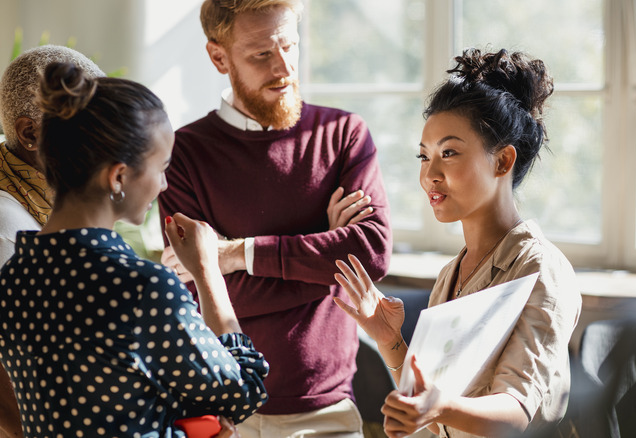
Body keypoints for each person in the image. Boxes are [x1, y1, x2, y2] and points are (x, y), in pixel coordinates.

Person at [157, 0, 392, 436]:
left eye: (289, 45)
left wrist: (234, 254)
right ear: (219, 57)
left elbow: (371, 254)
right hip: (225, 414)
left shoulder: (342, 135)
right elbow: (198, 293)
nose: (283, 67)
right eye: (261, 54)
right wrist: (325, 251)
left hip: (329, 411)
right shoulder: (183, 155)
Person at [0, 62, 271, 437]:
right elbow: (242, 391)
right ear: (119, 176)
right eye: (161, 168)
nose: (163, 185)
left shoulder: (12, 278)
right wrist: (207, 270)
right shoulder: (140, 287)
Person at [334, 49, 582, 438]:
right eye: (424, 155)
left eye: (448, 153)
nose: (429, 174)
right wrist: (390, 341)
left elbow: (516, 410)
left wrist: (439, 406)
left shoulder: (540, 269)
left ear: (502, 162)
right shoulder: (452, 273)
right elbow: (428, 403)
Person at [0, 44, 106, 438]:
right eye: (90, 125)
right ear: (30, 133)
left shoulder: (51, 204)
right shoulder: (9, 230)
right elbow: (8, 386)